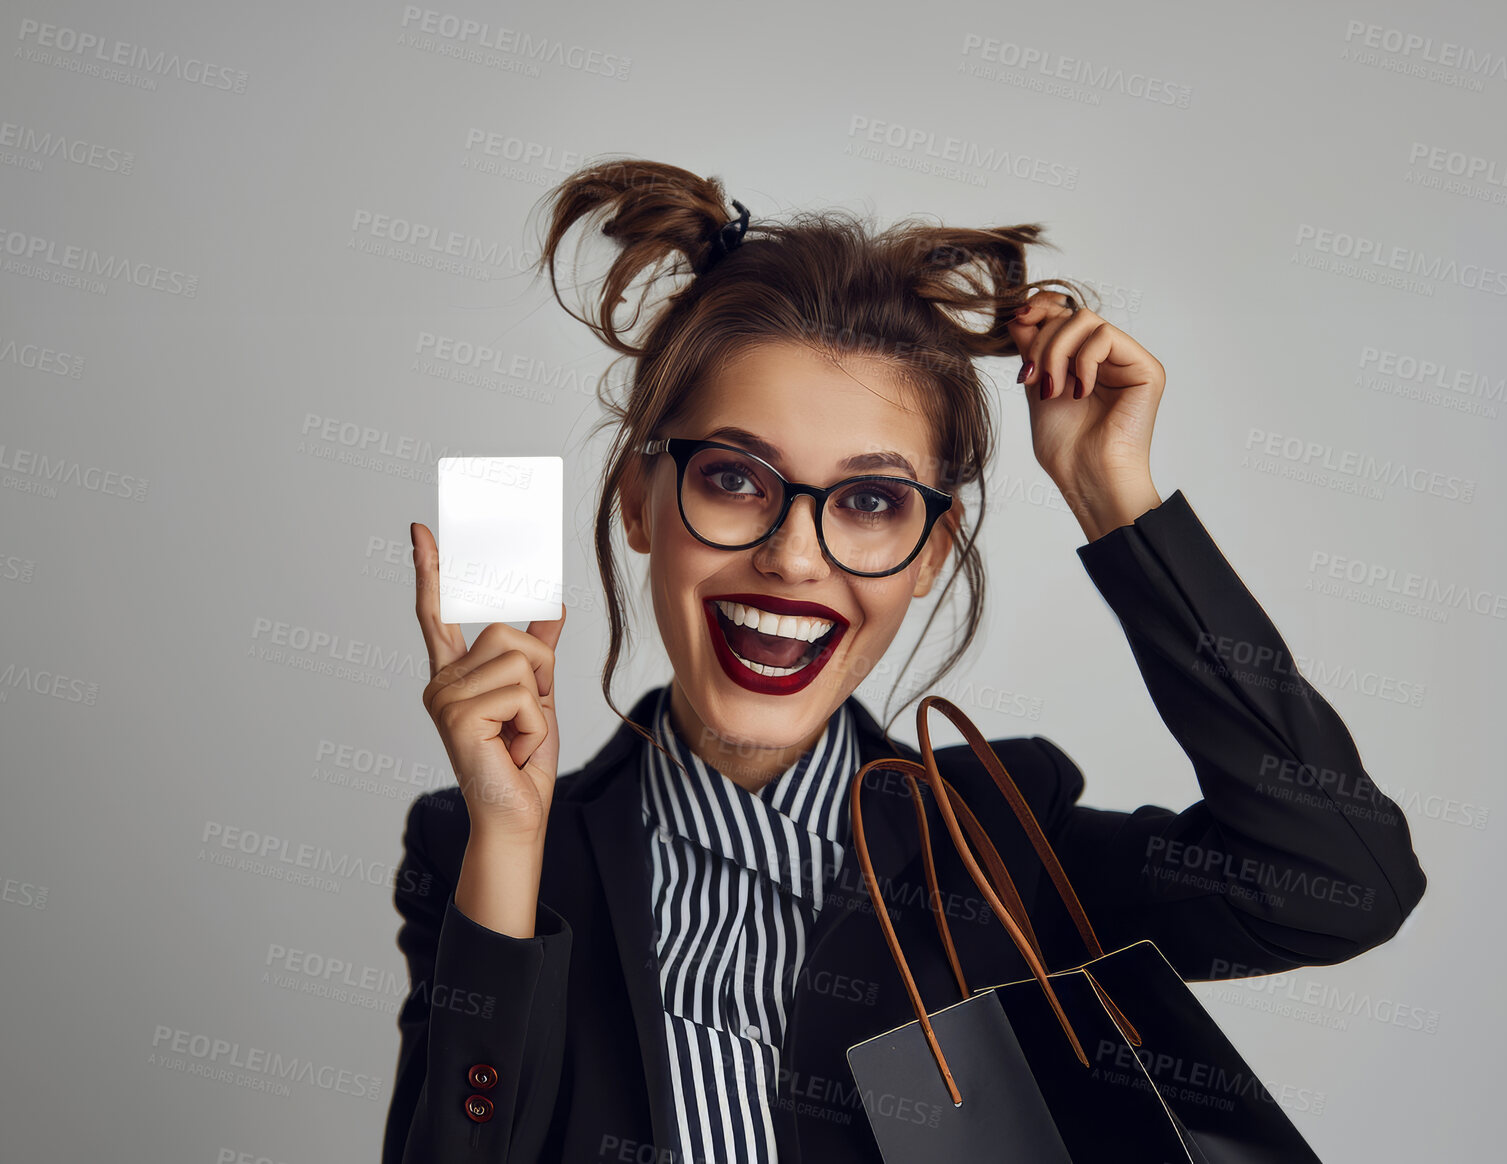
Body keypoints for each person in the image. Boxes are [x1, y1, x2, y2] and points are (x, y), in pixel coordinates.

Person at [381, 158, 1428, 1164]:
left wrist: (1116, 499)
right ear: (640, 505)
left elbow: (1338, 884)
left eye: (871, 501)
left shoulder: (1001, 846)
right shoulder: (482, 856)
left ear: (930, 552)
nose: (793, 557)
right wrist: (506, 846)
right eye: (737, 481)